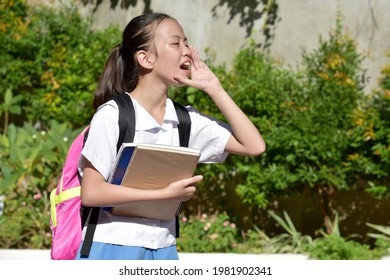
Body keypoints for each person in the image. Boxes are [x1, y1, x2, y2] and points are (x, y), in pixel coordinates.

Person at [76, 12, 266, 260]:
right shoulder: (113, 115)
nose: (187, 50)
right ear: (145, 58)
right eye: (176, 43)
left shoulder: (185, 120)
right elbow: (92, 193)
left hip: (164, 250)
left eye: (186, 42)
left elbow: (254, 146)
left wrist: (214, 87)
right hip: (109, 247)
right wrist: (164, 194)